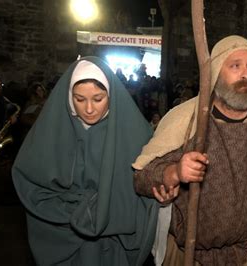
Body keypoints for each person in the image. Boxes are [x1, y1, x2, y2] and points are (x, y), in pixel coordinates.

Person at [133, 35, 247, 265]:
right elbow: (141, 176)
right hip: (190, 256)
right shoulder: (187, 118)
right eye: (235, 66)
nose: (246, 74)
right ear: (217, 71)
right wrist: (174, 172)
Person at [12, 57, 158, 265]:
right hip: (62, 234)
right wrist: (76, 211)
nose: (89, 109)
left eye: (98, 99)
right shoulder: (51, 131)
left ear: (111, 96)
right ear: (69, 97)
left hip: (113, 243)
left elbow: (143, 190)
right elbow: (30, 182)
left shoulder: (134, 133)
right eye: (80, 99)